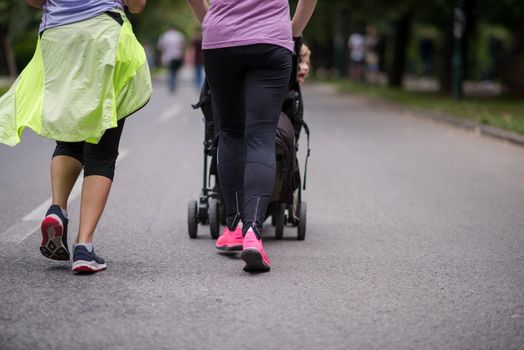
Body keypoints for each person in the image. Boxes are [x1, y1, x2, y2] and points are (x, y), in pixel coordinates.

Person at [0, 0, 152, 273]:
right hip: (103, 34)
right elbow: (137, 4)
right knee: (102, 151)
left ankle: (57, 208)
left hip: (57, 38)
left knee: (69, 137)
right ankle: (84, 247)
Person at [187, 0, 317, 272]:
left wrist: (212, 21)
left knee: (231, 133)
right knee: (260, 137)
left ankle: (234, 226)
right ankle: (253, 235)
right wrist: (293, 31)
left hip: (221, 40)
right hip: (271, 40)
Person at [158, 25, 185, 93]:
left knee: (170, 71)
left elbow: (161, 46)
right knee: (175, 71)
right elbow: (182, 46)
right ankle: (173, 84)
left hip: (167, 56)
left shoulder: (164, 35)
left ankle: (171, 84)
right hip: (177, 55)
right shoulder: (179, 35)